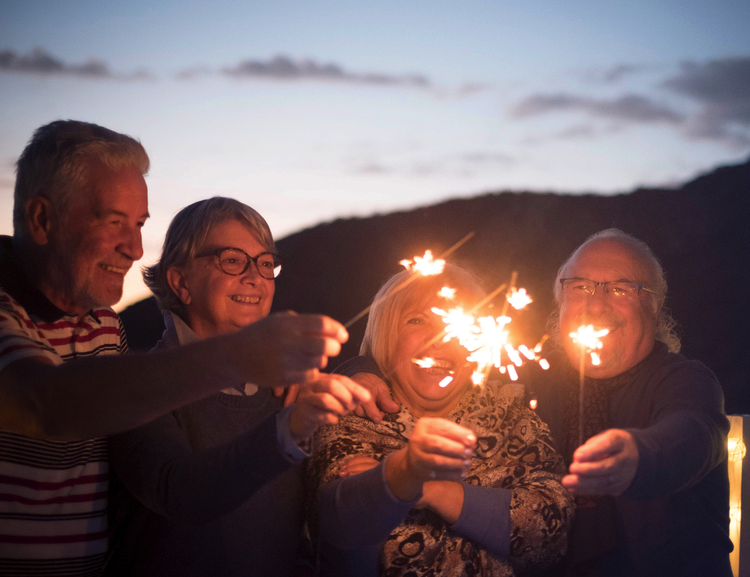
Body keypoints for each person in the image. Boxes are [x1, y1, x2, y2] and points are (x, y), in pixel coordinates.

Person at [0, 121, 348, 576]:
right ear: (42, 220)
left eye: (140, 224)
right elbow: (46, 403)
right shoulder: (136, 374)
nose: (134, 247)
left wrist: (363, 376)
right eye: (113, 222)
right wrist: (239, 359)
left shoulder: (103, 325)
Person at [350, 229, 733, 576]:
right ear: (559, 300)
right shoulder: (530, 379)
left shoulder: (683, 380)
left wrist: (638, 456)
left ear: (653, 304)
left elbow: (694, 435)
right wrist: (361, 369)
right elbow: (442, 363)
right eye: (580, 286)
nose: (596, 305)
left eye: (619, 289)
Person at [104, 197, 368, 576]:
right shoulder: (139, 382)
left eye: (265, 263)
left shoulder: (286, 389)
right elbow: (179, 492)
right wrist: (287, 432)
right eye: (232, 259)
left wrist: (363, 371)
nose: (255, 277)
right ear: (180, 281)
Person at [307, 264, 575, 576]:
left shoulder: (512, 412)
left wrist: (427, 489)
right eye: (417, 320)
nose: (439, 338)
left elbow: (553, 531)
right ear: (386, 336)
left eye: (457, 322)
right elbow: (344, 539)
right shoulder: (351, 418)